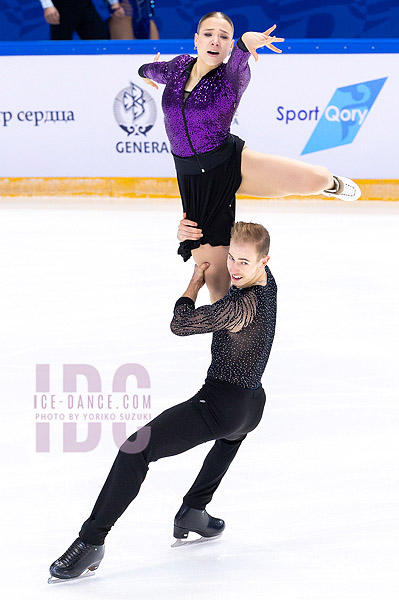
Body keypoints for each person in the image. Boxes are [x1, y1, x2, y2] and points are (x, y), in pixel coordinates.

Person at [48, 221, 277, 582]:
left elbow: (181, 324)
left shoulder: (240, 307)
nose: (233, 267)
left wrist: (194, 284)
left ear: (264, 260)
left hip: (220, 405)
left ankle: (91, 541)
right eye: (231, 257)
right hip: (252, 405)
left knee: (134, 450)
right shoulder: (268, 283)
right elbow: (227, 240)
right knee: (230, 440)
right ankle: (194, 511)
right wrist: (193, 236)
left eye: (243, 262)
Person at [138, 11, 361, 304]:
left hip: (230, 161)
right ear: (196, 39)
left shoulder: (233, 76)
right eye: (208, 34)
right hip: (196, 182)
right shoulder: (178, 67)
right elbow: (147, 69)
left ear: (229, 45)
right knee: (217, 286)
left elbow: (242, 56)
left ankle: (331, 184)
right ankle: (231, 344)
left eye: (224, 36)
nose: (215, 41)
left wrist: (245, 42)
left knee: (316, 178)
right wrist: (146, 73)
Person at [39, 0, 124, 40]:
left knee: (100, 42)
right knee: (60, 49)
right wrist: (47, 5)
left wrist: (114, 4)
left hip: (85, 6)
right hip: (62, 10)